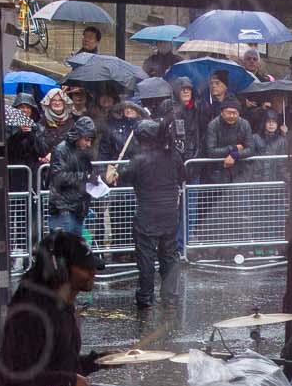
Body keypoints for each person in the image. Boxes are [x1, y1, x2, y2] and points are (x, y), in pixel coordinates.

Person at [0, 230, 102, 386]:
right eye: (86, 268)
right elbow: (19, 372)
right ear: (60, 268)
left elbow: (59, 363)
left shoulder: (62, 306)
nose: (94, 272)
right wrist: (68, 381)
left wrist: (100, 361)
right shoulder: (30, 313)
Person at [119, 119, 186, 315]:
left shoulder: (139, 159)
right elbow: (183, 175)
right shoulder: (172, 155)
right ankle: (170, 298)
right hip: (169, 213)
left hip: (147, 213)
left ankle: (146, 299)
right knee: (170, 256)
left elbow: (124, 176)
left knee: (146, 258)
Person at [42, 116, 107, 237]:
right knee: (65, 248)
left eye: (90, 140)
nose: (88, 144)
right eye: (86, 140)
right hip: (64, 207)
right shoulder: (61, 149)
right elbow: (58, 177)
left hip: (77, 206)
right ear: (78, 136)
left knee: (73, 249)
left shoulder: (82, 151)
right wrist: (85, 176)